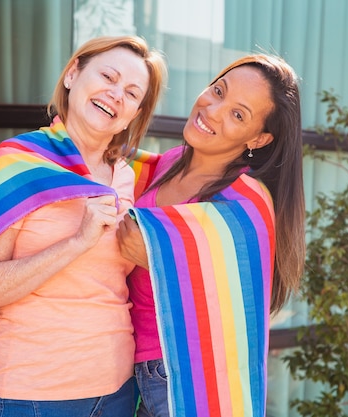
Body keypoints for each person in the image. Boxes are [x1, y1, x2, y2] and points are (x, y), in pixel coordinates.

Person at [0, 35, 167, 417]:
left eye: (132, 93)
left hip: (116, 390)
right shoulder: (18, 166)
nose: (116, 94)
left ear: (135, 113)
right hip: (27, 394)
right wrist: (77, 241)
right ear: (72, 74)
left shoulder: (133, 177)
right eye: (108, 76)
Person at [117, 54, 306, 417]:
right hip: (127, 370)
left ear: (259, 137)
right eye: (218, 90)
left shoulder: (246, 200)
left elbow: (233, 293)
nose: (213, 110)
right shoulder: (169, 162)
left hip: (184, 379)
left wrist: (157, 253)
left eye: (238, 115)